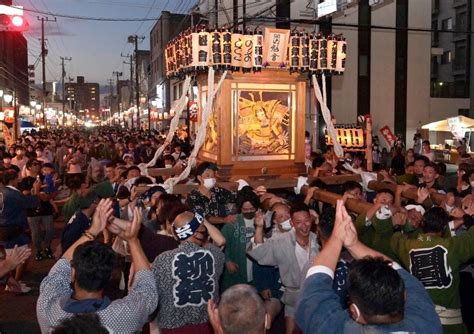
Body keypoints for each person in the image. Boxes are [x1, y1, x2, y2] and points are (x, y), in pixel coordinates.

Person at [296, 200, 442, 334]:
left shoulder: (338, 329)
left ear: (354, 312)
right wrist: (354, 244)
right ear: (404, 296)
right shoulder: (426, 323)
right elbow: (407, 279)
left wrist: (337, 238)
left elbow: (313, 291)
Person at [37, 200, 158, 333]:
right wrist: (133, 241)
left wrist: (92, 231)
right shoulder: (126, 314)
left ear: (73, 273)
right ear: (108, 277)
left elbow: (60, 269)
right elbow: (147, 290)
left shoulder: (47, 307)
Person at [391, 206, 474, 333]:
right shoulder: (453, 246)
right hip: (449, 325)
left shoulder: (408, 246)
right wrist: (466, 218)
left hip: (419, 322)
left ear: (423, 224)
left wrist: (398, 226)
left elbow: (396, 239)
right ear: (445, 227)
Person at [248, 202, 319, 334]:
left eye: (307, 221)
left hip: (315, 297)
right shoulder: (282, 241)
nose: (304, 226)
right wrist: (259, 228)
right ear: (292, 223)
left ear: (312, 220)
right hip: (293, 298)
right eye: (299, 222)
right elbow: (260, 251)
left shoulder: (317, 240)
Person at [151, 210, 226, 333]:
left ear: (175, 235)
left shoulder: (162, 260)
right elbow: (221, 241)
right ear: (198, 232)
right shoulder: (214, 256)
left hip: (172, 327)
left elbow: (154, 297)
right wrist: (203, 221)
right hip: (207, 324)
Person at [0, 169, 41, 293]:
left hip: (4, 228)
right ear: (12, 179)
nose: (19, 179)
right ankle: (15, 283)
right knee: (22, 256)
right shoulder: (12, 194)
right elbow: (32, 203)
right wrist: (37, 190)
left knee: (11, 256)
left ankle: (12, 282)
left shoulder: (3, 191)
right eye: (17, 177)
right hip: (12, 228)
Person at [221, 189, 261, 291]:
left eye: (251, 209)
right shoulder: (232, 223)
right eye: (245, 209)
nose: (248, 212)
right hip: (237, 267)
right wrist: (227, 261)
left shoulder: (261, 220)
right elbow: (221, 244)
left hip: (255, 266)